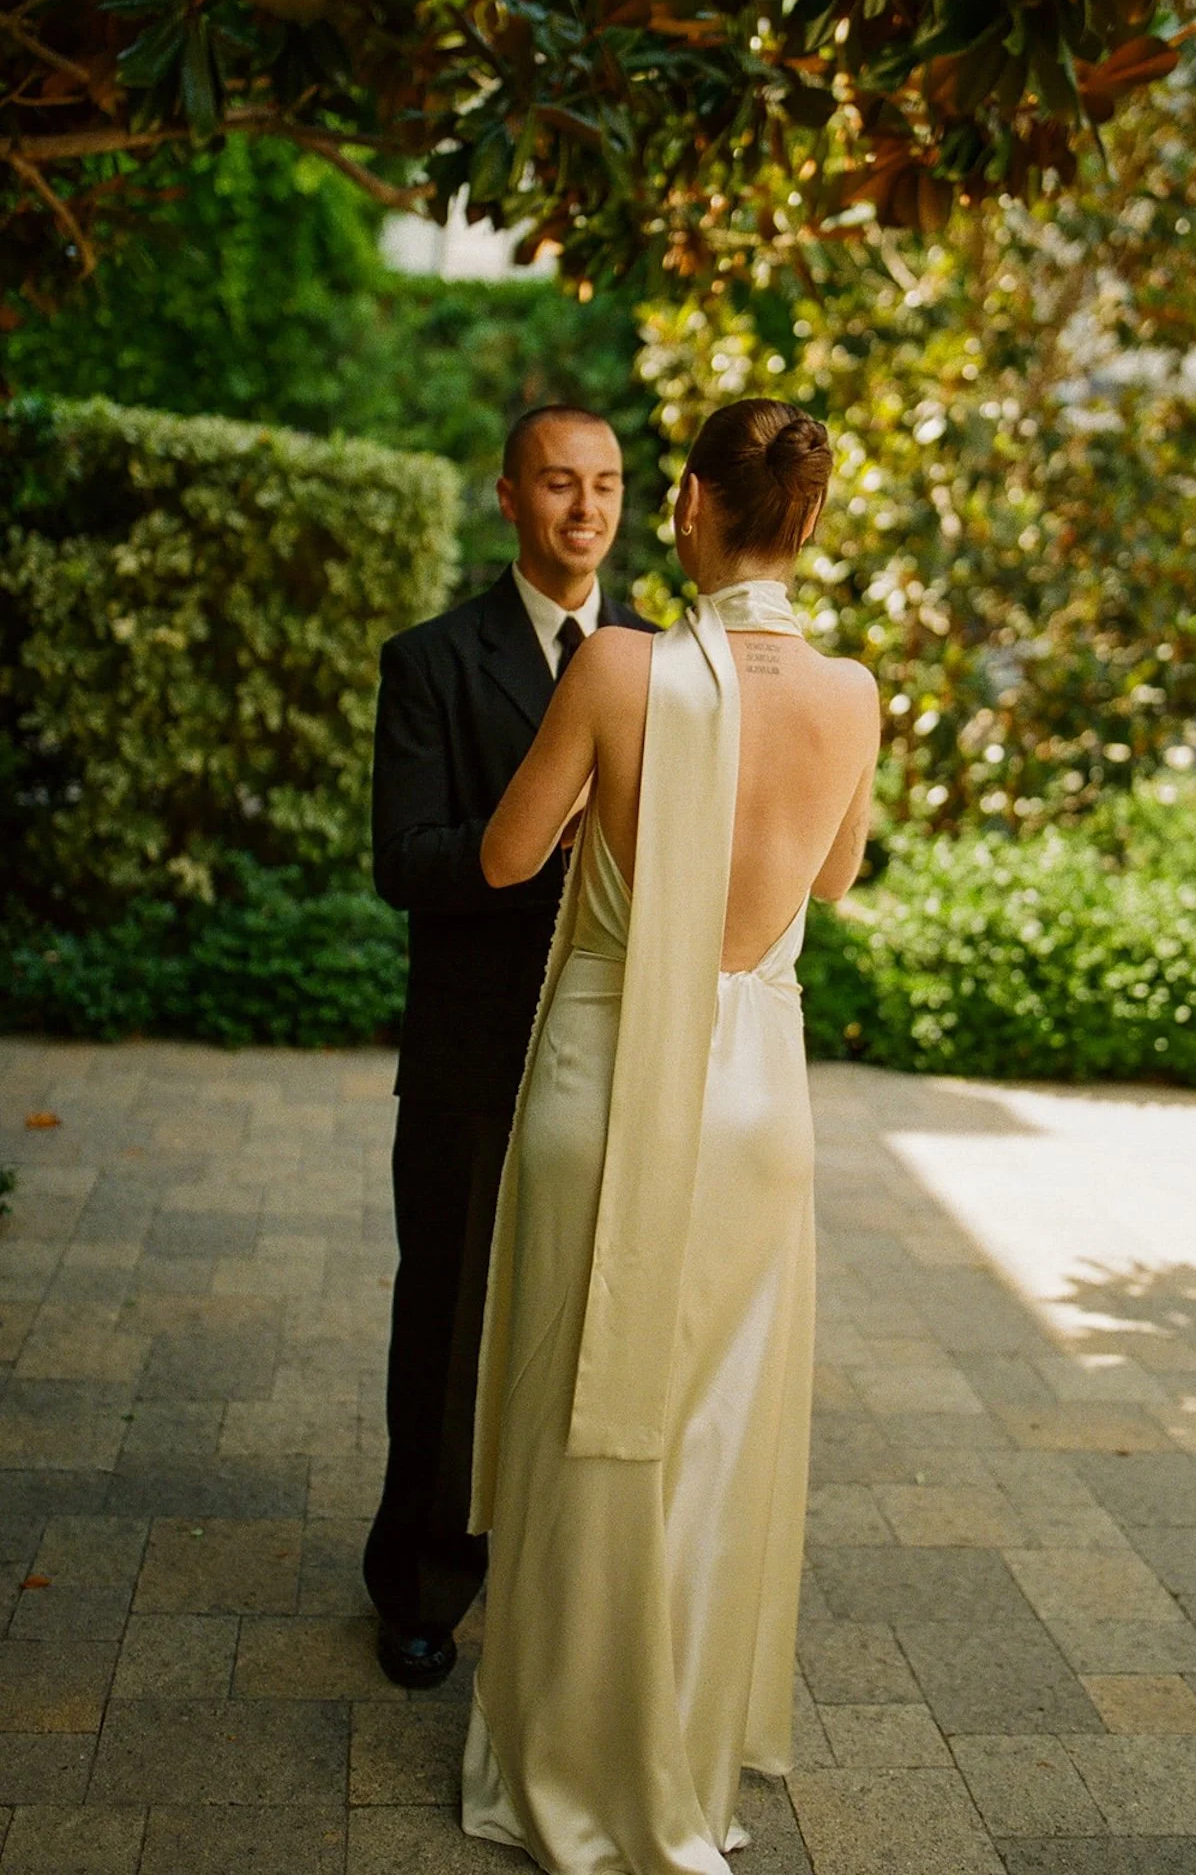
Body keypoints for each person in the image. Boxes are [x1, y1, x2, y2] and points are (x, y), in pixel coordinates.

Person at [461, 398, 881, 1873]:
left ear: (692, 504)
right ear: (808, 523)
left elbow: (510, 856)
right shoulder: (854, 696)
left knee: (582, 1411)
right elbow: (829, 880)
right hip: (756, 1093)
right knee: (711, 1437)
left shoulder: (624, 669)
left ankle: (562, 1754)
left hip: (610, 1070)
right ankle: (679, 1765)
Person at [363, 406, 654, 1690]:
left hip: (612, 1043)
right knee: (449, 1322)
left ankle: (559, 1569)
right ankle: (420, 1582)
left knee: (588, 1316)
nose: (583, 510)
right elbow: (404, 863)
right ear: (506, 498)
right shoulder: (429, 660)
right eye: (556, 484)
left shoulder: (660, 660)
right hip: (475, 1051)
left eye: (604, 486)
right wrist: (526, 842)